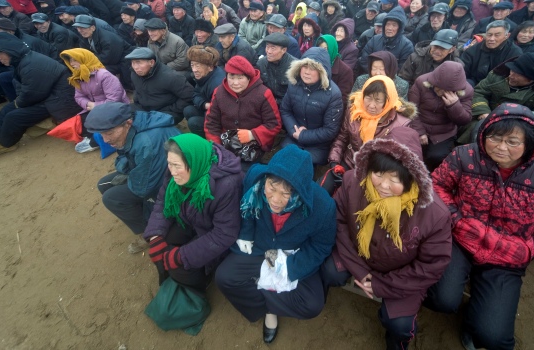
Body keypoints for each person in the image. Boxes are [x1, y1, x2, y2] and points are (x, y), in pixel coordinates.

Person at [426, 103, 534, 350]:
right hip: (462, 237)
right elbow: (437, 185)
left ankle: (475, 323)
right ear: (483, 133)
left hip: (509, 253)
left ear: (530, 143)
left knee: (493, 336)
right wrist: (455, 218)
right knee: (441, 300)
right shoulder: (465, 156)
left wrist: (532, 247)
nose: (501, 147)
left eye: (512, 142)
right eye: (494, 138)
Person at [323, 125, 452, 350]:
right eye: (379, 173)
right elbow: (340, 222)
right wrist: (362, 273)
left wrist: (381, 285)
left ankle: (396, 342)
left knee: (399, 324)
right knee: (329, 271)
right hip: (359, 259)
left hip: (400, 276)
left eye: (395, 178)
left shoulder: (433, 214)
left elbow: (431, 266)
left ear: (412, 178)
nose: (383, 185)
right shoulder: (354, 182)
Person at [215, 144, 336, 344]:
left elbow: (321, 245)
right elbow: (247, 205)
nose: (276, 200)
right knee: (224, 278)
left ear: (302, 190)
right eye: (272, 187)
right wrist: (245, 233)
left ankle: (270, 307)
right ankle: (266, 308)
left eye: (288, 193)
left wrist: (290, 267)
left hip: (292, 252)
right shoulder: (256, 176)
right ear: (267, 178)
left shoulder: (323, 207)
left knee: (312, 304)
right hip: (260, 245)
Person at [143, 133, 243, 307]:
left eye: (176, 166)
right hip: (191, 218)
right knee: (162, 246)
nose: (172, 171)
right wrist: (155, 235)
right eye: (169, 163)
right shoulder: (177, 172)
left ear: (193, 162)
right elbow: (162, 201)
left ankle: (201, 286)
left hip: (213, 231)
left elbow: (224, 234)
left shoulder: (226, 185)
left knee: (179, 269)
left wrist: (182, 256)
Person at [88, 102, 180, 254]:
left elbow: (143, 188)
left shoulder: (146, 142)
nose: (105, 140)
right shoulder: (135, 124)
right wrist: (126, 169)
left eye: (109, 133)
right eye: (102, 134)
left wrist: (127, 173)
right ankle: (145, 217)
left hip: (174, 183)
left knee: (111, 198)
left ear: (127, 123)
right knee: (103, 185)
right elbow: (126, 156)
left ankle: (151, 232)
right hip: (156, 171)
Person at [0, 32, 80, 155]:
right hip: (50, 96)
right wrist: (18, 102)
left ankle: (5, 144)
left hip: (60, 100)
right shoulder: (24, 60)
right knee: (9, 108)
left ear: (9, 51)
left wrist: (18, 103)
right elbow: (25, 90)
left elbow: (32, 94)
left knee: (14, 116)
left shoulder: (31, 65)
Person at [327, 75, 415, 186]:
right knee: (323, 187)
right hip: (350, 161)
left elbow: (396, 161)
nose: (371, 105)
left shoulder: (401, 124)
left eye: (378, 100)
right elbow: (342, 138)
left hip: (375, 172)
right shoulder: (354, 111)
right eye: (368, 97)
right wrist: (334, 162)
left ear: (388, 101)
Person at [204, 55, 282, 168]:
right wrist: (217, 146)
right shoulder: (219, 92)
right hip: (225, 142)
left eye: (240, 78)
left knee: (242, 174)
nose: (235, 83)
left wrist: (252, 134)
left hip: (253, 145)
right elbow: (211, 122)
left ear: (249, 78)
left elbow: (274, 124)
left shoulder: (264, 94)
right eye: (231, 77)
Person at [280, 47, 343, 165]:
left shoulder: (333, 94)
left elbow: (330, 130)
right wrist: (294, 131)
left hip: (318, 145)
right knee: (282, 162)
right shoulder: (294, 84)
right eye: (304, 66)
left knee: (303, 164)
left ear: (322, 71)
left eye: (313, 68)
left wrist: (303, 136)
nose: (307, 72)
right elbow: (285, 110)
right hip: (293, 136)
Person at [60, 48, 130, 154]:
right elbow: (78, 97)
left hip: (115, 110)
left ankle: (96, 142)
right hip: (94, 109)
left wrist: (96, 106)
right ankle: (93, 137)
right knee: (74, 124)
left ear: (84, 59)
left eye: (75, 60)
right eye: (70, 60)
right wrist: (88, 104)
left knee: (101, 128)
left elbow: (114, 100)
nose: (71, 63)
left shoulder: (104, 75)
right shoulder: (79, 76)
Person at [409, 61, 473, 171]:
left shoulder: (467, 91)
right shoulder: (421, 82)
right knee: (411, 153)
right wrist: (420, 131)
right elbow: (411, 109)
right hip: (420, 125)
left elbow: (464, 120)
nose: (441, 91)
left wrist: (454, 106)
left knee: (436, 156)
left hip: (444, 132)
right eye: (438, 87)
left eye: (446, 90)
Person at [472, 53, 534, 119]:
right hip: (486, 114)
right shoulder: (498, 74)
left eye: (518, 74)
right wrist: (483, 111)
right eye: (512, 70)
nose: (511, 75)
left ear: (532, 79)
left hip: (518, 125)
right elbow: (479, 92)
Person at [126, 47, 192, 124]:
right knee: (121, 114)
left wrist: (171, 109)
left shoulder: (171, 76)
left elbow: (189, 96)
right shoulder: (134, 74)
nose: (135, 67)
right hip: (143, 108)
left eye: (139, 62)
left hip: (166, 112)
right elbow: (136, 88)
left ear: (151, 62)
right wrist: (137, 100)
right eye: (133, 63)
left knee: (150, 126)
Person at [73, 14, 134, 90]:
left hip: (124, 60)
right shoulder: (84, 37)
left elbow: (108, 59)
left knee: (98, 71)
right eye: (78, 28)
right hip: (109, 59)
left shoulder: (107, 39)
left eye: (83, 28)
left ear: (93, 28)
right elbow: (85, 54)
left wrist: (89, 64)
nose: (80, 30)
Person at [461, 20, 522, 86]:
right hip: (473, 84)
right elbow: (463, 71)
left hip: (498, 87)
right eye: (489, 35)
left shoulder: (514, 53)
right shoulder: (473, 50)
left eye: (497, 35)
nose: (492, 39)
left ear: (507, 36)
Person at [183, 45, 225, 136]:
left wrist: (209, 107)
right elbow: (195, 93)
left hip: (220, 120)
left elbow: (221, 113)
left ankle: (209, 142)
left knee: (193, 122)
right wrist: (204, 104)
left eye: (198, 66)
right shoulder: (204, 75)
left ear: (210, 67)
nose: (194, 70)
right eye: (192, 65)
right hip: (209, 108)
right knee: (188, 110)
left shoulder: (217, 84)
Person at [359, 6, 414, 71]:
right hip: (371, 75)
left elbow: (403, 68)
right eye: (388, 24)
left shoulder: (407, 45)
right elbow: (364, 61)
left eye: (394, 25)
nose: (389, 28)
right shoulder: (374, 39)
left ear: (400, 28)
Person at [256, 32, 298, 107]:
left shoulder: (295, 66)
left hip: (287, 106)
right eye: (267, 47)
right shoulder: (261, 64)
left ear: (284, 50)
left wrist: (277, 102)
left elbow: (296, 95)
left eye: (273, 48)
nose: (268, 51)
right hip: (266, 104)